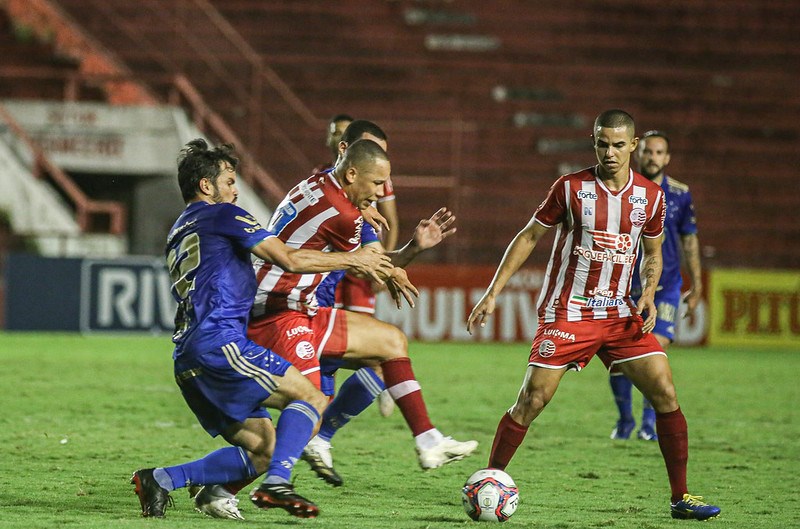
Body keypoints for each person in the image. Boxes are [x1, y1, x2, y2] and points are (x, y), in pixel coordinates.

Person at [466, 110, 720, 521]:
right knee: (532, 401)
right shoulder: (570, 188)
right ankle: (488, 479)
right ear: (594, 142)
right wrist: (494, 292)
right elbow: (529, 235)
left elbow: (653, 255)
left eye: (619, 144)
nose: (610, 152)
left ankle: (680, 498)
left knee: (666, 394)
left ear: (633, 146)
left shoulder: (651, 198)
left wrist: (650, 294)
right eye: (603, 143)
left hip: (619, 312)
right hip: (569, 311)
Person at [129, 139, 394, 519]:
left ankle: (160, 479)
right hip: (220, 344)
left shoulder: (180, 227)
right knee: (312, 399)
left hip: (187, 356)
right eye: (230, 181)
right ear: (207, 186)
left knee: (263, 449)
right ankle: (277, 484)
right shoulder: (224, 215)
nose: (235, 191)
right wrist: (353, 258)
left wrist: (355, 212)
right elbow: (286, 257)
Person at [248, 138, 477, 474]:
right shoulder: (342, 213)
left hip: (296, 306)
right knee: (307, 410)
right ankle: (226, 485)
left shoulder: (321, 184)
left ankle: (429, 441)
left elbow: (371, 262)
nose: (382, 192)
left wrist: (402, 252)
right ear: (352, 173)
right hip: (277, 312)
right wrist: (399, 263)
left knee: (391, 343)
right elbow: (370, 267)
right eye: (377, 183)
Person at [609, 130, 703, 441]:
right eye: (648, 152)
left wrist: (697, 285)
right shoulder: (622, 189)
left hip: (668, 285)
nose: (653, 157)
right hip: (624, 286)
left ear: (667, 158)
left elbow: (689, 242)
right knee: (621, 361)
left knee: (654, 350)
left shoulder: (680, 194)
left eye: (659, 152)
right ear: (638, 153)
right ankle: (625, 420)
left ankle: (649, 424)